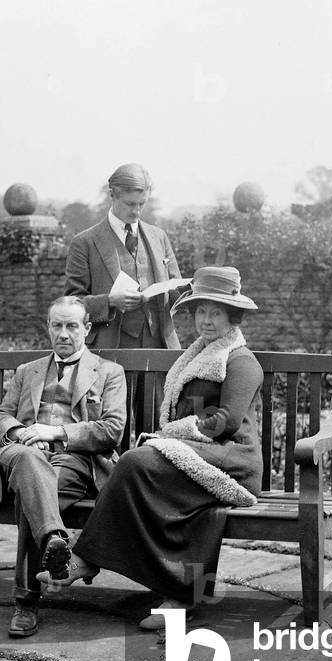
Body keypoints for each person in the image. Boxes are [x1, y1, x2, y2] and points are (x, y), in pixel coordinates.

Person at [39, 266, 263, 630]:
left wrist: (173, 435)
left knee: (134, 462)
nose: (206, 320)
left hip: (232, 460)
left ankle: (91, 561)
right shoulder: (195, 355)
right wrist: (174, 441)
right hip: (198, 454)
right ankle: (157, 585)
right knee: (136, 466)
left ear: (232, 316)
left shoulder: (240, 362)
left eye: (215, 312)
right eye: (200, 312)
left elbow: (228, 422)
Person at [0, 296, 126, 638]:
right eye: (56, 325)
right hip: (20, 455)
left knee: (36, 494)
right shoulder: (27, 372)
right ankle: (57, 542)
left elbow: (112, 430)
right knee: (29, 463)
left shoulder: (109, 373)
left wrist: (56, 432)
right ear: (48, 327)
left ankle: (26, 601)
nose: (63, 333)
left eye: (72, 325)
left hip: (72, 463)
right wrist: (22, 433)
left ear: (87, 329)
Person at [65, 163, 184, 350]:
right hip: (109, 350)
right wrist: (110, 301)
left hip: (160, 346)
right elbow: (72, 305)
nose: (136, 211)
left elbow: (176, 288)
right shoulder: (84, 243)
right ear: (112, 195)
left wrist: (195, 289)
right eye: (130, 204)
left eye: (142, 204)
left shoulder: (159, 237)